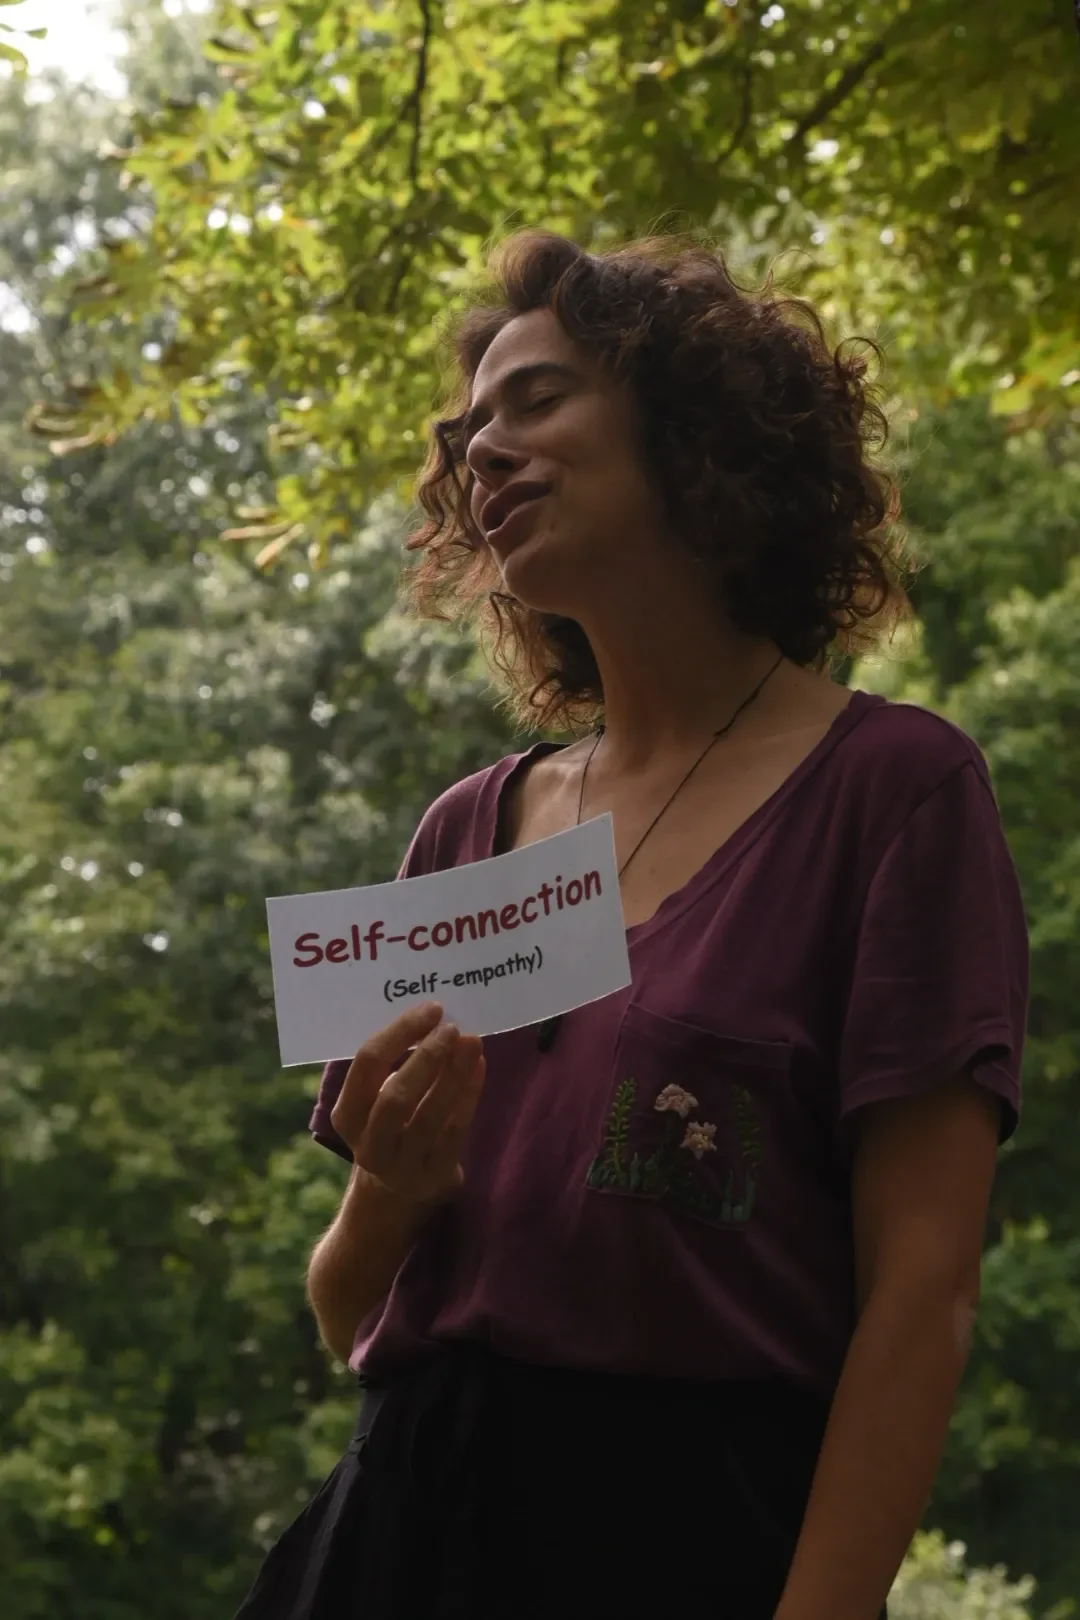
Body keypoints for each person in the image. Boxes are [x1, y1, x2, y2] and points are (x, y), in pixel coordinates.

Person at [235, 230, 1028, 1620]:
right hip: (394, 1534)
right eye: (471, 427)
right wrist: (391, 1191)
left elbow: (924, 1294)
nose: (485, 451)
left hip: (688, 1542)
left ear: (693, 423)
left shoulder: (896, 794)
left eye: (537, 399)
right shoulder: (461, 833)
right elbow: (341, 1307)